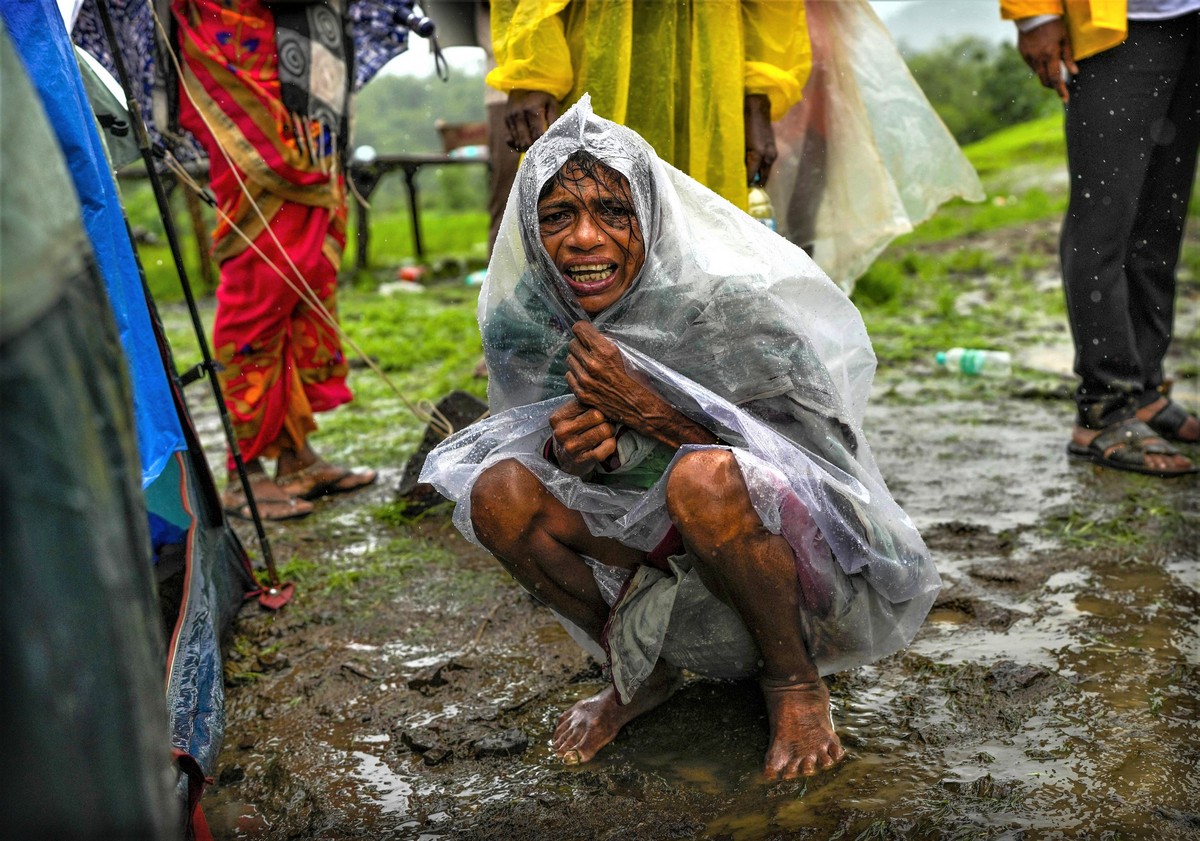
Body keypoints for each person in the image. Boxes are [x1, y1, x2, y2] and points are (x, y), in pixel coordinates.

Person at [421, 99, 941, 779]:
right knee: (498, 492)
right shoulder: (531, 323)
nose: (584, 238)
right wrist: (570, 453)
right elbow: (544, 444)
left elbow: (822, 471)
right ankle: (640, 671)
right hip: (663, 562)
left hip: (797, 577)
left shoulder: (727, 310)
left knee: (704, 476)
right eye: (557, 217)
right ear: (529, 227)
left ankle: (793, 681)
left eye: (613, 212)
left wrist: (646, 410)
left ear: (653, 216)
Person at [173, 0, 378, 519]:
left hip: (302, 68)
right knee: (262, 274)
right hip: (239, 60)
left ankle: (295, 459)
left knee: (307, 273)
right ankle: (244, 473)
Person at [1002, 0, 1199, 477]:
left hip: (1190, 21)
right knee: (1103, 224)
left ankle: (1145, 388)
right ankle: (1104, 405)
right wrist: (1033, 15)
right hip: (1117, 27)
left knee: (1159, 222)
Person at [486, 0, 811, 208]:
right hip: (595, 42)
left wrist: (759, 92)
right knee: (587, 212)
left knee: (700, 239)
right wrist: (532, 67)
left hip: (712, 57)